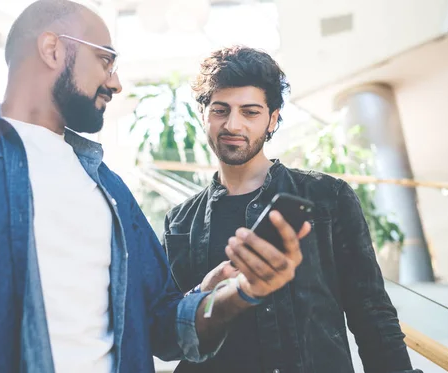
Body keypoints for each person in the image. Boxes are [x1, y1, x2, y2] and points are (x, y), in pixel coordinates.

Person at [0, 2, 311, 372]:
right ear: (52, 48)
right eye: (106, 59)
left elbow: (167, 329)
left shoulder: (111, 190)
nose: (116, 81)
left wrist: (237, 293)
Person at [162, 46, 422, 373]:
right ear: (204, 115)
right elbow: (174, 326)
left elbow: (371, 313)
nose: (233, 124)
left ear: (273, 119)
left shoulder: (327, 197)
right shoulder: (180, 222)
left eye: (250, 112)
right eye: (220, 110)